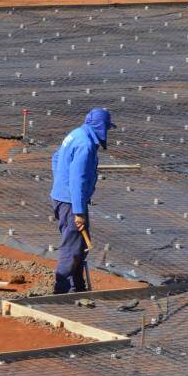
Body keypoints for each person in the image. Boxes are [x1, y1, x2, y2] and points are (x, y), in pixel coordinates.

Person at [50, 107, 115, 294]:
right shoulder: (85, 145)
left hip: (63, 198)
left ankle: (76, 287)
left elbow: (55, 158)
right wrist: (78, 212)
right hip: (71, 203)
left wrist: (60, 183)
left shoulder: (75, 134)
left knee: (79, 245)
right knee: (72, 247)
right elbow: (77, 180)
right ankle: (61, 292)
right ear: (101, 126)